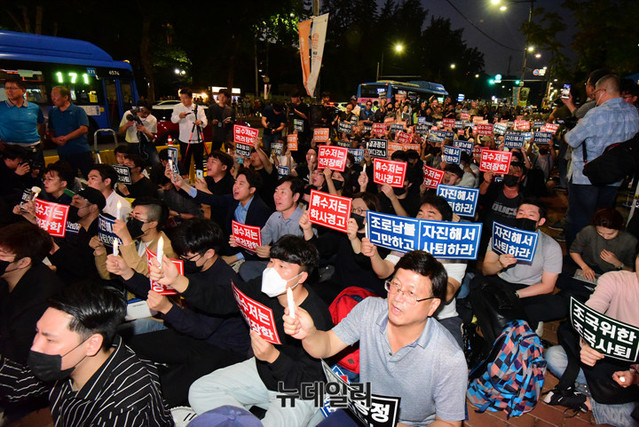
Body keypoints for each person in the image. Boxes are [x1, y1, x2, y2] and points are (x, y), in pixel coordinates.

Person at [283, 250, 467, 426]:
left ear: (433, 306)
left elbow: (449, 422)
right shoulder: (370, 310)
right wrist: (309, 334)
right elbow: (327, 345)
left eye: (411, 293)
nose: (397, 298)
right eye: (395, 285)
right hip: (364, 410)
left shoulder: (449, 358)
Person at [185, 236, 332, 426]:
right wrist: (179, 282)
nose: (272, 270)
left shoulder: (316, 316)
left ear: (302, 277)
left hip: (299, 391)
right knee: (200, 391)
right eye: (271, 262)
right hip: (264, 371)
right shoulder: (264, 287)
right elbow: (225, 298)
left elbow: (311, 382)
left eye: (282, 266)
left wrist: (273, 357)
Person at [107, 219, 249, 407]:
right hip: (190, 333)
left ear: (209, 253)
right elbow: (157, 290)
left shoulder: (225, 283)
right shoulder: (193, 265)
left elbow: (201, 329)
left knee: (164, 394)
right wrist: (127, 273)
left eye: (187, 256)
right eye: (180, 254)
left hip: (222, 349)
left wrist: (167, 308)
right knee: (128, 345)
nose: (182, 260)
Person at [0, 283, 173, 426]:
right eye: (37, 332)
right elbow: (19, 385)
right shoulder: (69, 358)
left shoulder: (122, 409)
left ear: (92, 344)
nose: (35, 347)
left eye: (50, 340)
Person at [544, 253, 639, 425]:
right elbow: (593, 308)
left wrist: (635, 377)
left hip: (631, 373)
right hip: (601, 358)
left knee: (631, 417)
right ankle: (598, 396)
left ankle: (588, 400)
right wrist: (587, 343)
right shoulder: (616, 279)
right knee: (554, 356)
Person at [564, 74, 639, 249]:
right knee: (603, 219)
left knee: (579, 219)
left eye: (596, 93)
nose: (594, 97)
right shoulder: (633, 112)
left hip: (586, 177)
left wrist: (579, 125)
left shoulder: (596, 113)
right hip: (615, 176)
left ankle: (576, 255)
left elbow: (571, 140)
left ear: (603, 91)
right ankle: (596, 253)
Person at [0, 222, 63, 423]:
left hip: (25, 375)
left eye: (2, 254)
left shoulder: (42, 298)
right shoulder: (9, 276)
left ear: (23, 262)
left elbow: (17, 353)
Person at [479, 198, 565, 332]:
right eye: (521, 213)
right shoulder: (501, 236)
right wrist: (499, 264)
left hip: (529, 289)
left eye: (531, 215)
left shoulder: (551, 246)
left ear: (541, 221)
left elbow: (548, 286)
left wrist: (515, 295)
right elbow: (486, 270)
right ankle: (517, 318)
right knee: (476, 285)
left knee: (558, 306)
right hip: (502, 282)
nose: (524, 217)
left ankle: (512, 316)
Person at [238, 176, 306, 281]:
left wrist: (273, 252)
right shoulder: (274, 217)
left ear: (295, 197)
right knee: (245, 268)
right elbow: (260, 241)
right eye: (276, 191)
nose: (277, 196)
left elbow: (302, 258)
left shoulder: (304, 222)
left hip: (293, 272)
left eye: (283, 192)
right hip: (274, 265)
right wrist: (241, 240)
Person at [48, 187, 106, 285]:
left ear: (93, 208)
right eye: (72, 201)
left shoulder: (101, 233)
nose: (72, 205)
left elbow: (85, 268)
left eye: (77, 203)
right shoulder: (68, 222)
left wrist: (55, 247)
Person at [48, 86, 92, 178]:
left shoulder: (78, 111)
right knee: (69, 178)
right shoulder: (52, 112)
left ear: (65, 97)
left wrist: (66, 138)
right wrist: (54, 139)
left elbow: (83, 129)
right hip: (63, 152)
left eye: (55, 95)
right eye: (51, 96)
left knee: (89, 176)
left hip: (81, 151)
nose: (53, 98)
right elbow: (51, 130)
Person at [0, 77, 45, 166]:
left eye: (13, 88)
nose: (9, 91)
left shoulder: (34, 107)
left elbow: (41, 123)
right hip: (10, 151)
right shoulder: (1, 107)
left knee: (36, 173)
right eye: (7, 88)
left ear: (23, 91)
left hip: (33, 149)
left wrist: (41, 139)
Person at [171, 87, 208, 174]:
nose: (183, 100)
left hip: (198, 139)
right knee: (185, 162)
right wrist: (179, 116)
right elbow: (173, 120)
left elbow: (205, 121)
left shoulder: (198, 108)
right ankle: (185, 179)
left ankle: (200, 179)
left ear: (191, 98)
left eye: (185, 98)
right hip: (184, 139)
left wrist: (200, 122)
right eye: (181, 98)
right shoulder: (177, 107)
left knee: (199, 162)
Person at [118, 100, 159, 165]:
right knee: (134, 165)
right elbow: (120, 132)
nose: (146, 115)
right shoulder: (128, 114)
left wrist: (145, 131)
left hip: (147, 144)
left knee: (156, 162)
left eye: (148, 113)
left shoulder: (153, 119)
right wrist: (126, 125)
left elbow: (152, 137)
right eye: (144, 112)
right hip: (132, 144)